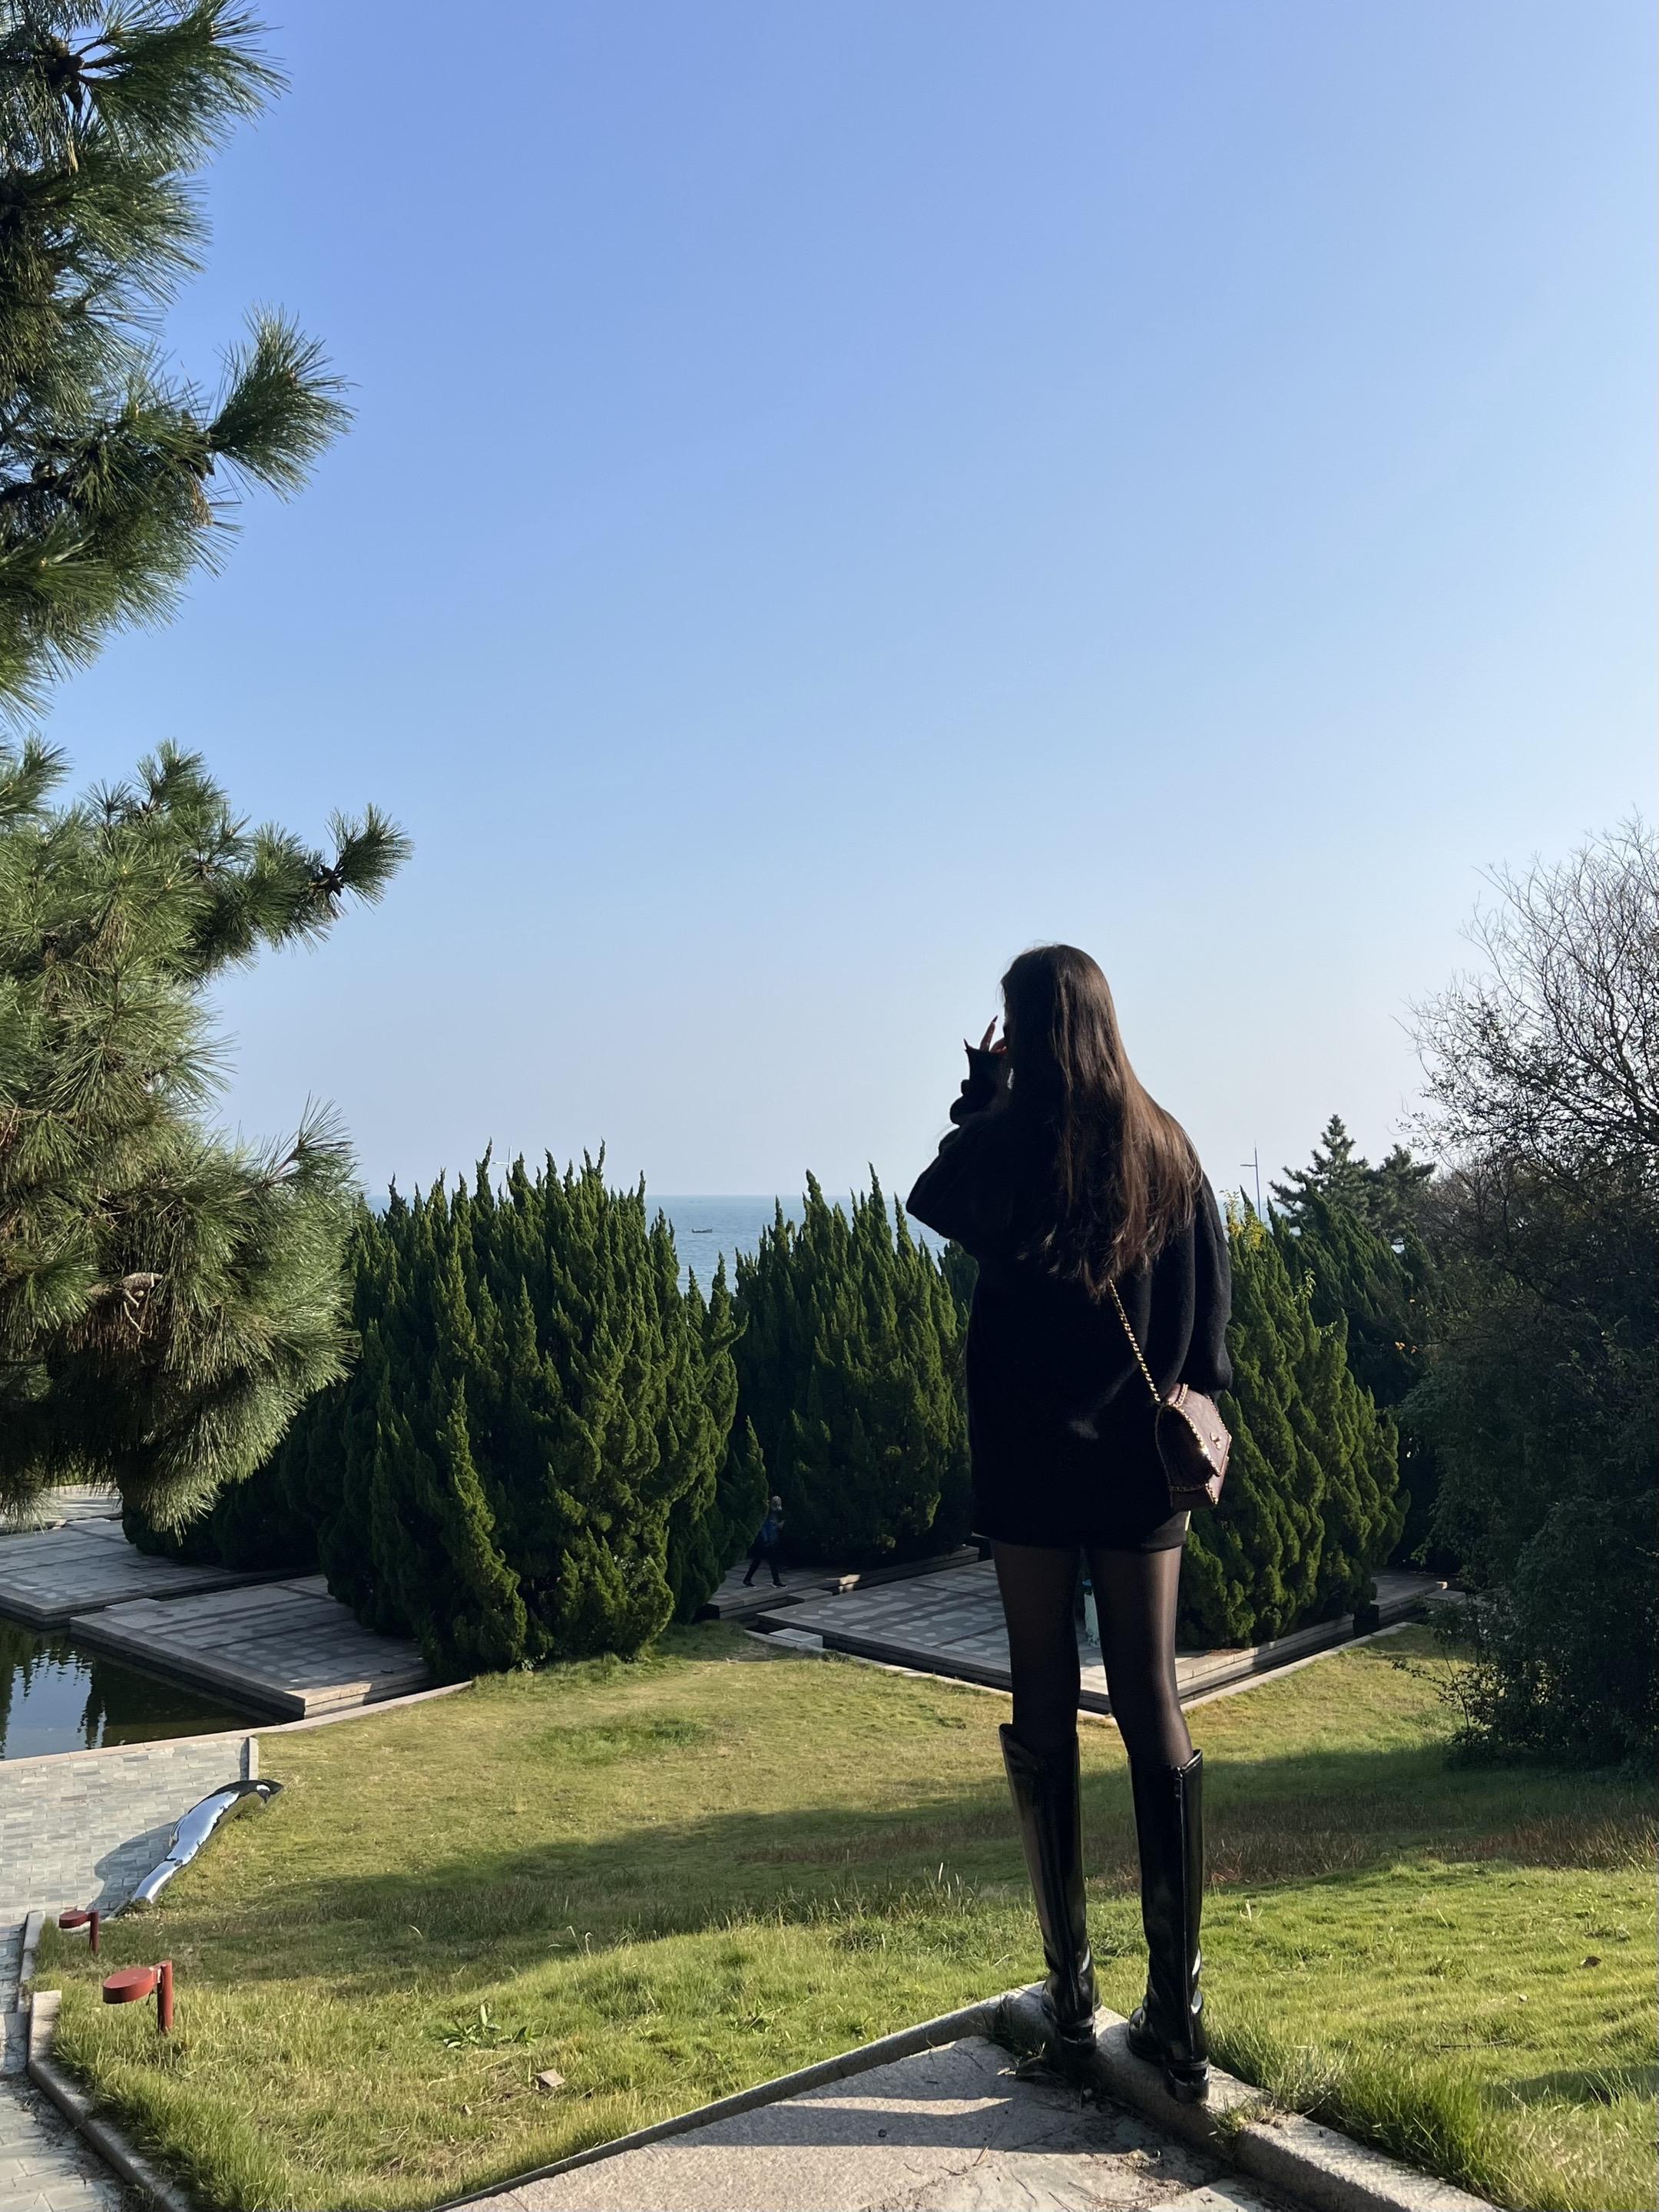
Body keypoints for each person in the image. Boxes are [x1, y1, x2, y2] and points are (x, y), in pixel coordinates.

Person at [906, 944, 1231, 2102]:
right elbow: (1211, 1327)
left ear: (1024, 1032)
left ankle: (1072, 1996)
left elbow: (936, 1197)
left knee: (1041, 1698)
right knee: (1154, 1702)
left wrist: (982, 1099)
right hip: (1141, 1473)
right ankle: (1178, 2015)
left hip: (1031, 1470)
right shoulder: (1168, 1148)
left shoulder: (1010, 1147)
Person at [742, 1495, 786, 1588]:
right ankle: (747, 1579)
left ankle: (776, 1581)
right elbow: (764, 1528)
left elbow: (776, 1527)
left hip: (771, 1541)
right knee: (758, 1561)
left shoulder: (776, 1512)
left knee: (771, 1562)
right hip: (764, 1542)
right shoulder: (768, 1513)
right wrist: (765, 1541)